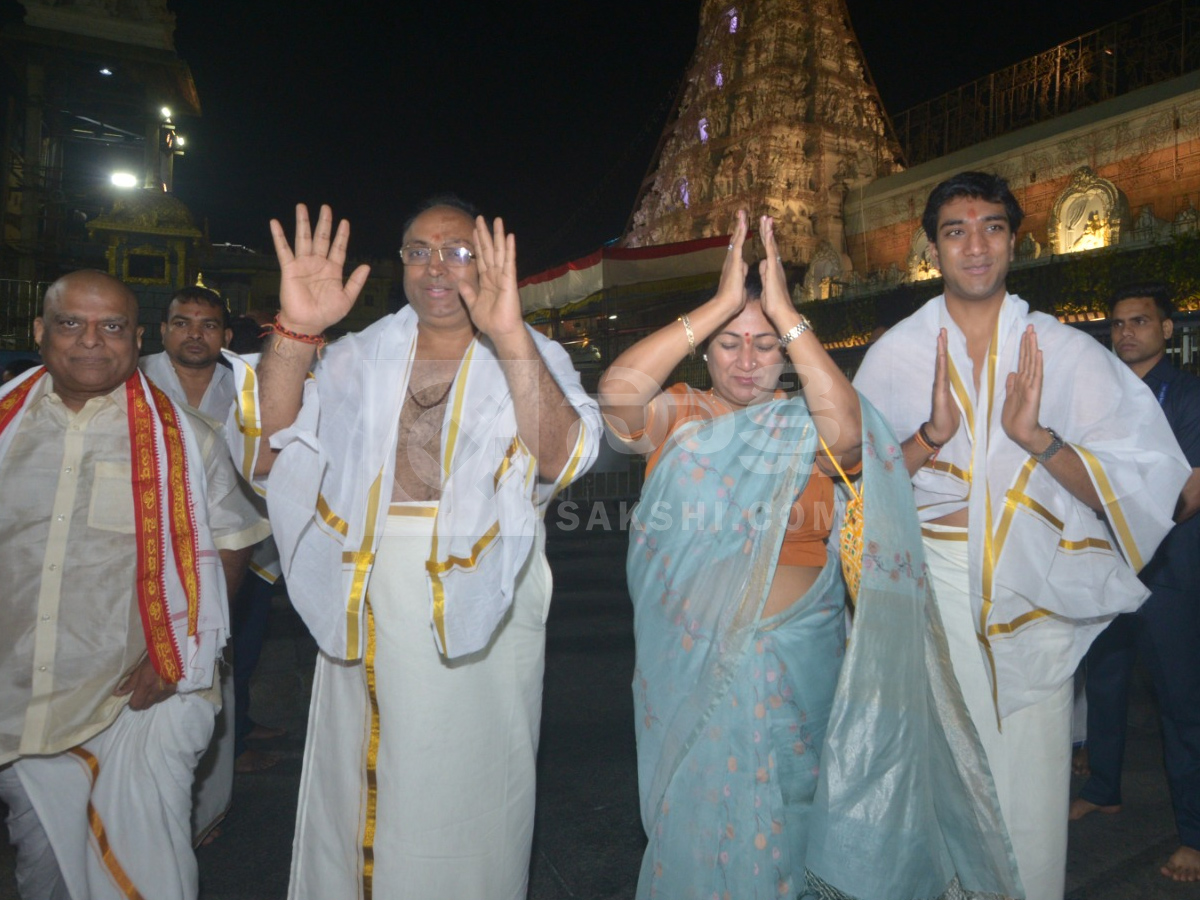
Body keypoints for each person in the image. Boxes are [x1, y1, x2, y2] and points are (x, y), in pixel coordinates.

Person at [600, 211, 1021, 900]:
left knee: (791, 826)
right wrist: (717, 304)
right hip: (695, 669)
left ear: (789, 354)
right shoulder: (681, 415)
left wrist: (788, 316)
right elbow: (617, 399)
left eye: (765, 346)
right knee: (701, 826)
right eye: (730, 344)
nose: (745, 359)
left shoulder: (808, 422)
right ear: (706, 352)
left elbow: (856, 444)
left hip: (801, 665)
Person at [222, 199, 601, 900]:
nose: (437, 268)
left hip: (490, 601)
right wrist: (297, 332)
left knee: (472, 787)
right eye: (419, 251)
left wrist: (510, 333)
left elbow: (563, 457)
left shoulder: (533, 352)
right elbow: (269, 452)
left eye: (457, 251)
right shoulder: (360, 356)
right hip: (365, 594)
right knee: (365, 788)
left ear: (490, 263)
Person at [853, 171, 1190, 900]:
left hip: (1033, 586)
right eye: (956, 230)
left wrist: (1037, 440)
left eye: (993, 227)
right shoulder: (897, 354)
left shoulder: (1061, 350)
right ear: (933, 247)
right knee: (945, 768)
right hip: (934, 587)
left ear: (1015, 240)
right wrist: (930, 435)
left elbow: (1155, 477)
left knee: (1033, 782)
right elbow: (856, 481)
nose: (976, 245)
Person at [0, 270, 268, 900]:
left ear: (135, 337)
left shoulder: (186, 439)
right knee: (45, 872)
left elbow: (233, 544)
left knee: (134, 871)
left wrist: (179, 648)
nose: (91, 341)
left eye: (112, 326)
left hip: (128, 704)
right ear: (40, 332)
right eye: (71, 323)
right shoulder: (6, 430)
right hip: (13, 700)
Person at [1071, 282, 1200, 882]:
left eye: (1140, 322)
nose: (1126, 332)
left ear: (1167, 329)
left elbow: (1192, 489)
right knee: (1105, 680)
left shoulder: (1189, 393)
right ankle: (1103, 787)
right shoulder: (1107, 399)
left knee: (1181, 704)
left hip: (1170, 571)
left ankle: (1194, 835)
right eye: (1118, 323)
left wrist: (1136, 533)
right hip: (1108, 564)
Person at [142, 289, 285, 782]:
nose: (194, 334)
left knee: (233, 653)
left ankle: (228, 748)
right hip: (151, 548)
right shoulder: (133, 380)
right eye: (182, 323)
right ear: (163, 331)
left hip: (238, 547)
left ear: (226, 336)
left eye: (207, 325)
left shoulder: (249, 389)